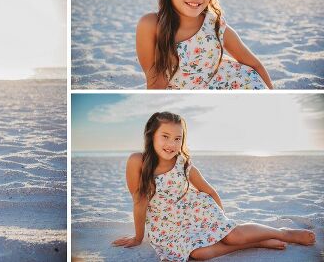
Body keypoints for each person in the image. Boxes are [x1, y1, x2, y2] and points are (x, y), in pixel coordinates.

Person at [112, 112, 315, 261]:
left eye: (177, 138)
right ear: (151, 135)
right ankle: (257, 242)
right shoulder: (137, 161)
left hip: (197, 210)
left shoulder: (182, 163)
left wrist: (222, 224)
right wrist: (138, 237)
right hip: (166, 224)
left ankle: (283, 233)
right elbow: (139, 202)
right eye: (165, 136)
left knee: (232, 236)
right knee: (198, 254)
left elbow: (208, 191)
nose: (171, 144)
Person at [136, 0, 273, 89]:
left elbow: (254, 64)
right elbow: (154, 81)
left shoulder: (214, 24)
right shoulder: (151, 24)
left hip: (235, 82)